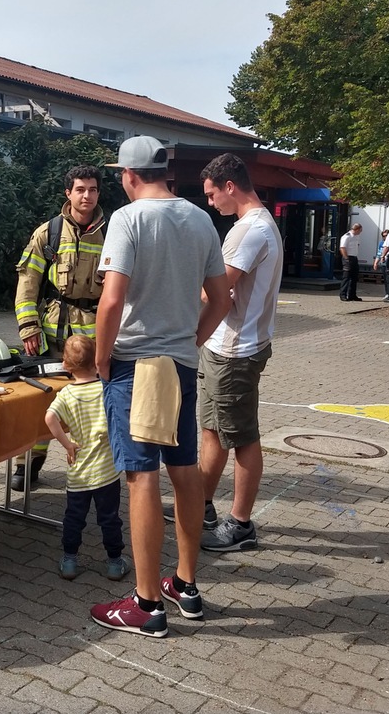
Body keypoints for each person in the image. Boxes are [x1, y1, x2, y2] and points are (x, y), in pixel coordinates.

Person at [89, 136, 230, 638]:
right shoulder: (199, 218)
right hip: (180, 362)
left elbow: (111, 301)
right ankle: (185, 585)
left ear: (128, 175)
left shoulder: (128, 219)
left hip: (138, 364)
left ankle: (147, 603)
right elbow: (220, 297)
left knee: (141, 476)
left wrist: (103, 358)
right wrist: (192, 338)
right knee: (184, 469)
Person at [196, 153, 283, 554]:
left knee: (243, 437)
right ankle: (202, 505)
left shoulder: (249, 231)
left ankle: (241, 524)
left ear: (230, 186)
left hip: (236, 352)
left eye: (213, 195)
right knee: (214, 429)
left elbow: (216, 292)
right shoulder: (256, 226)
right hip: (226, 347)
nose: (211, 204)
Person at [9, 165, 106, 491]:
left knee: (88, 407)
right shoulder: (48, 233)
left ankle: (91, 471)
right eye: (80, 189)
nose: (87, 196)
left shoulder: (112, 233)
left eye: (92, 189)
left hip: (91, 339)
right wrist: (28, 326)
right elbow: (27, 284)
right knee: (40, 402)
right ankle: (28, 466)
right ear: (68, 193)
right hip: (49, 336)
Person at [43, 335, 129, 582]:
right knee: (110, 519)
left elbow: (49, 418)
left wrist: (67, 444)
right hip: (107, 471)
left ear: (65, 366)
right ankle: (114, 563)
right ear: (97, 362)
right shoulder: (105, 387)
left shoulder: (67, 394)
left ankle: (70, 560)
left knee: (74, 518)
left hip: (79, 473)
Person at [338, 223, 364, 302]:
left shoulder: (357, 236)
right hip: (348, 257)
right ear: (357, 229)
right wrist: (346, 258)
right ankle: (343, 295)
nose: (360, 232)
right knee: (346, 277)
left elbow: (357, 245)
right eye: (360, 230)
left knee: (354, 277)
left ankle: (352, 295)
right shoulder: (347, 236)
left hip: (354, 257)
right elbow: (342, 248)